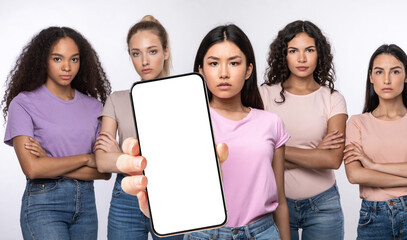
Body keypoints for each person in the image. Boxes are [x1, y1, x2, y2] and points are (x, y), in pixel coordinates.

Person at [179, 24, 290, 240]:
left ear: (248, 69)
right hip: (204, 234)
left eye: (234, 63)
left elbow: (281, 201)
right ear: (200, 70)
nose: (223, 73)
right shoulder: (188, 122)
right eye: (213, 63)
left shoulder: (271, 123)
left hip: (262, 233)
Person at [2, 26, 111, 240]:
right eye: (57, 59)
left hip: (86, 207)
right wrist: (86, 158)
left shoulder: (95, 108)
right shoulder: (23, 103)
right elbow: (33, 169)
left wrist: (51, 162)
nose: (67, 67)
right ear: (44, 60)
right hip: (44, 204)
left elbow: (104, 171)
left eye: (74, 59)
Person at [94, 15, 182, 240]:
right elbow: (102, 161)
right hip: (126, 199)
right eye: (136, 53)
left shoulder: (182, 95)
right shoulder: (117, 99)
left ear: (166, 51)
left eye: (152, 51)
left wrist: (121, 156)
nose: (144, 61)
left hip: (172, 194)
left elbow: (180, 156)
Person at [260, 20, 347, 240]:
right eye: (293, 51)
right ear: (284, 55)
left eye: (309, 50)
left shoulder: (332, 99)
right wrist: (315, 153)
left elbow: (333, 160)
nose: (301, 58)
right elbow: (256, 157)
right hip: (273, 202)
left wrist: (276, 152)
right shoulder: (265, 95)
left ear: (320, 54)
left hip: (323, 204)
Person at [344, 44, 407, 239]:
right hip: (373, 218)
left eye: (395, 71)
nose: (386, 79)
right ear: (371, 77)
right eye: (379, 72)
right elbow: (354, 175)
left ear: (406, 76)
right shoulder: (357, 123)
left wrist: (374, 165)